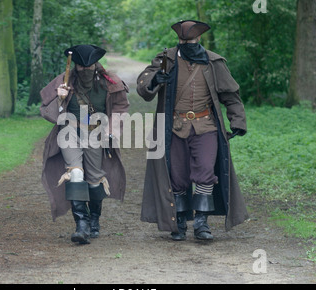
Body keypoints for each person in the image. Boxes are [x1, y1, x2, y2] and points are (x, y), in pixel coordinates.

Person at [136, 20, 248, 241]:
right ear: (178, 40)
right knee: (177, 176)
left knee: (206, 172)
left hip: (206, 125)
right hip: (175, 127)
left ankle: (201, 222)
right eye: (182, 40)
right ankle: (179, 220)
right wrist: (155, 79)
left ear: (198, 39)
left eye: (190, 40)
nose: (186, 43)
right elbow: (144, 84)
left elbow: (230, 95)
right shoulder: (166, 59)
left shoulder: (213, 62)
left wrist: (238, 121)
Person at [40, 44, 130, 245]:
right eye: (81, 67)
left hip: (95, 133)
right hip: (69, 131)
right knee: (75, 173)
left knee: (94, 179)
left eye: (89, 67)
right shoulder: (65, 81)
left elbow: (121, 107)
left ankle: (94, 219)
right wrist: (60, 99)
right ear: (76, 66)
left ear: (96, 64)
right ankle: (81, 224)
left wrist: (111, 131)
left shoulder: (109, 82)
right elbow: (46, 110)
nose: (85, 70)